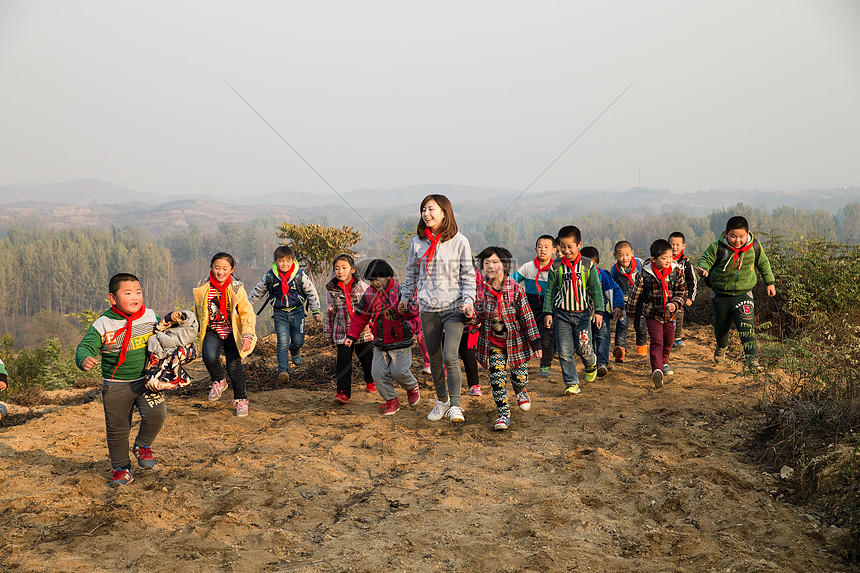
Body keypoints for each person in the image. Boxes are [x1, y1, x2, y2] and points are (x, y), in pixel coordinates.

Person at [75, 273, 167, 487]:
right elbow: (85, 347)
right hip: (116, 385)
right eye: (128, 293)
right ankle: (121, 469)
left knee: (157, 414)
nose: (135, 297)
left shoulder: (150, 316)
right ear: (112, 298)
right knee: (117, 429)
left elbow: (164, 334)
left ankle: (143, 445)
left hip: (147, 380)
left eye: (138, 292)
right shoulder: (103, 324)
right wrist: (85, 359)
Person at [399, 194, 476, 423]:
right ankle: (441, 401)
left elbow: (468, 275)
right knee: (434, 358)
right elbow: (412, 274)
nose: (426, 213)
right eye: (423, 209)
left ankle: (456, 406)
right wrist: (405, 297)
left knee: (450, 356)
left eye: (431, 209)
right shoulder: (417, 242)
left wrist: (468, 300)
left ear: (444, 212)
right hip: (428, 307)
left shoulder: (460, 241)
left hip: (454, 307)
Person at [472, 246, 541, 431]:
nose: (490, 266)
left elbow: (527, 316)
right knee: (497, 378)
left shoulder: (516, 289)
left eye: (495, 262)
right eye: (486, 263)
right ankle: (503, 414)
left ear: (504, 265)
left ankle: (520, 390)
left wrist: (535, 342)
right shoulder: (480, 291)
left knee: (519, 377)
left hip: (516, 341)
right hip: (493, 342)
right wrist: (469, 315)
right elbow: (477, 317)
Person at [696, 216, 776, 371]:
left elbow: (764, 264)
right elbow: (705, 259)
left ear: (748, 234)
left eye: (741, 236)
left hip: (744, 294)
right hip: (721, 295)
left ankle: (752, 360)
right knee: (721, 328)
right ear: (726, 234)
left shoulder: (754, 248)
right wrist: (703, 268)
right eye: (733, 236)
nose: (737, 240)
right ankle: (721, 347)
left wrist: (770, 283)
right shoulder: (717, 247)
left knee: (747, 327)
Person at [344, 259, 420, 415]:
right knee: (377, 373)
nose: (375, 283)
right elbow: (360, 316)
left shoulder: (400, 290)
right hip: (379, 342)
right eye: (372, 280)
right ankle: (391, 400)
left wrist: (405, 308)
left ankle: (412, 387)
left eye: (378, 278)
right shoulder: (370, 294)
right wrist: (352, 335)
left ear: (388, 276)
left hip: (401, 340)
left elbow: (415, 311)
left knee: (399, 373)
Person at [193, 252, 257, 417]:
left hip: (232, 332)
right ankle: (219, 380)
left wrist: (247, 335)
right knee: (208, 356)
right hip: (213, 329)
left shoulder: (236, 288)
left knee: (234, 368)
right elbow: (197, 311)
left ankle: (241, 400)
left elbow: (247, 313)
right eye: (217, 268)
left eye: (224, 269)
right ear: (211, 267)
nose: (220, 272)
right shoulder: (203, 286)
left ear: (231, 269)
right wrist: (191, 330)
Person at [543, 226, 604, 396]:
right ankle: (571, 382)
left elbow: (596, 289)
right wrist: (548, 312)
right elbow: (550, 290)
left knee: (585, 349)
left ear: (579, 245)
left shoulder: (587, 265)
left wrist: (598, 311)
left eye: (570, 246)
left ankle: (591, 364)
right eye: (562, 246)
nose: (566, 250)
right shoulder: (556, 266)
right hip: (561, 314)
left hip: (583, 315)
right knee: (564, 351)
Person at [248, 245, 321, 382]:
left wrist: (315, 310)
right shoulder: (270, 276)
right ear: (275, 261)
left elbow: (311, 291)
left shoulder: (299, 275)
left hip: (297, 312)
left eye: (288, 261)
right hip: (280, 313)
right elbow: (257, 291)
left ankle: (294, 350)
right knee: (282, 342)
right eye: (281, 261)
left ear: (293, 261)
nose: (285, 264)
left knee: (298, 340)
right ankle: (283, 371)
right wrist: (246, 307)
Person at [625, 240, 687, 388]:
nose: (668, 261)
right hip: (651, 313)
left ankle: (664, 361)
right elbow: (635, 295)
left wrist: (676, 303)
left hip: (670, 314)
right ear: (654, 259)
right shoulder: (644, 275)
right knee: (657, 341)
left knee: (669, 340)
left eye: (670, 257)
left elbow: (682, 291)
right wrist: (631, 312)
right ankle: (657, 369)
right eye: (664, 258)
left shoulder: (675, 271)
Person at [324, 254, 375, 403]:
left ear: (352, 270)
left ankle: (371, 381)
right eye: (337, 269)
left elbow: (371, 307)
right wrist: (328, 333)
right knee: (343, 361)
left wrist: (372, 325)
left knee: (367, 359)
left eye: (344, 268)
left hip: (363, 331)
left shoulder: (363, 287)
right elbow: (330, 312)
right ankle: (342, 393)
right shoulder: (331, 289)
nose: (340, 271)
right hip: (342, 332)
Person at [511, 234, 557, 377]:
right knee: (525, 336)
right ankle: (521, 365)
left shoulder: (557, 268)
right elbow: (512, 282)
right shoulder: (528, 267)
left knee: (547, 338)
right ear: (535, 249)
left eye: (546, 247)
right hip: (529, 307)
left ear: (554, 250)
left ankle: (545, 366)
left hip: (549, 308)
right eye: (540, 246)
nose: (542, 250)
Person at [579, 246, 624, 378]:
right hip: (582, 312)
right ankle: (591, 363)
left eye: (592, 265)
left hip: (601, 311)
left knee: (602, 335)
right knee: (586, 339)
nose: (589, 270)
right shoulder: (576, 276)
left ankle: (602, 363)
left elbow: (617, 290)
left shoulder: (603, 275)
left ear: (597, 263)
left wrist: (618, 306)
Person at [609, 240, 648, 362]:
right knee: (622, 325)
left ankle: (641, 351)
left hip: (639, 301)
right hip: (624, 302)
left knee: (641, 326)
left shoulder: (639, 264)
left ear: (632, 253)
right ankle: (620, 350)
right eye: (620, 255)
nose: (624, 258)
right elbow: (614, 289)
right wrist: (616, 306)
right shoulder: (614, 271)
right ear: (615, 255)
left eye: (627, 254)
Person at [668, 232, 698, 348]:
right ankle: (667, 339)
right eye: (672, 244)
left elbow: (692, 282)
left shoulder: (686, 264)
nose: (674, 247)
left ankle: (677, 339)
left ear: (683, 246)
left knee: (679, 315)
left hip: (681, 296)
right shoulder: (664, 260)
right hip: (666, 294)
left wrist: (690, 297)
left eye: (677, 244)